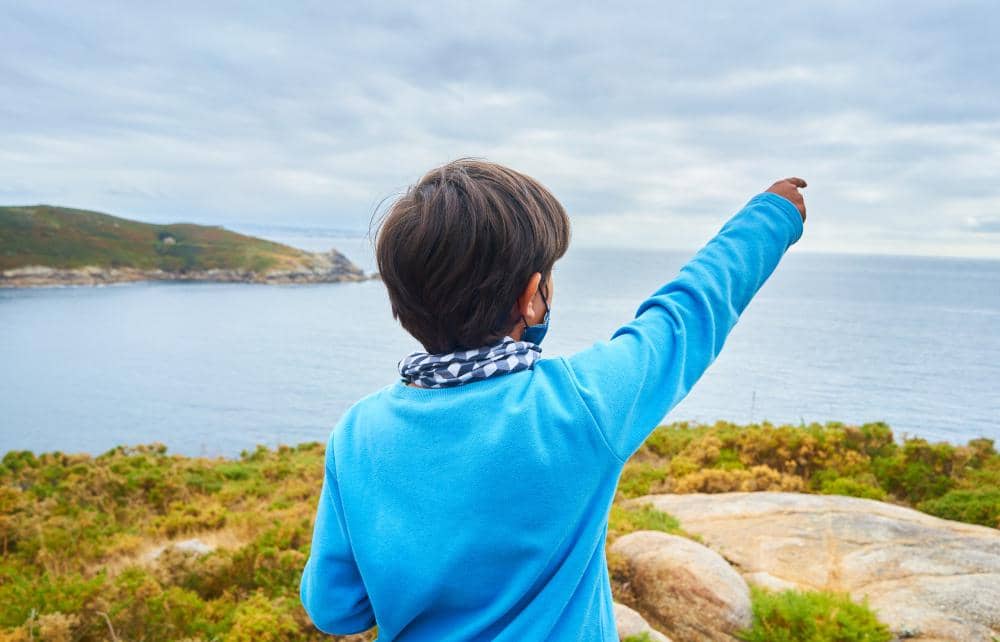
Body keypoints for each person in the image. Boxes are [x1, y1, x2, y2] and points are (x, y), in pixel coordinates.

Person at [300, 158, 807, 641]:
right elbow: (685, 315)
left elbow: (336, 609)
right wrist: (770, 217)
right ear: (532, 295)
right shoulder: (580, 402)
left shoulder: (358, 431)